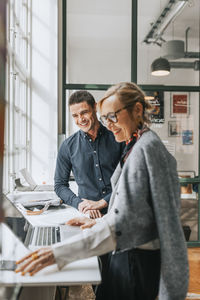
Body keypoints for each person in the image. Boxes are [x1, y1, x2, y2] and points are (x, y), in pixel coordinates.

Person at [16, 82, 189, 300]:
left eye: (113, 116)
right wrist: (96, 222)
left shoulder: (147, 148)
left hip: (134, 260)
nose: (109, 124)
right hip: (126, 254)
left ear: (137, 110)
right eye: (106, 118)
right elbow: (130, 214)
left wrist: (57, 253)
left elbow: (130, 226)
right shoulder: (134, 145)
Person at [54, 90, 124, 219]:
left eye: (84, 112)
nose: (81, 119)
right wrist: (80, 204)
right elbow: (60, 185)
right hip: (87, 215)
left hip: (119, 210)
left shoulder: (118, 138)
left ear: (95, 107)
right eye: (75, 115)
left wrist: (102, 203)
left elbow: (128, 179)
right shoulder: (67, 146)